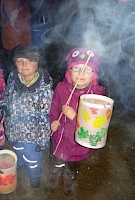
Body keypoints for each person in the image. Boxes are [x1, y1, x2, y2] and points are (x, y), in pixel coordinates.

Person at [46, 48, 105, 195]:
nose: (81, 73)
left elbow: (95, 126)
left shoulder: (97, 97)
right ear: (69, 72)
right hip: (60, 140)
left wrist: (75, 116)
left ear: (94, 75)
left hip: (79, 146)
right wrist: (53, 120)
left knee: (72, 168)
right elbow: (54, 107)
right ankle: (54, 177)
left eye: (87, 70)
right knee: (56, 163)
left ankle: (69, 181)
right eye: (76, 68)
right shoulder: (60, 88)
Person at [0, 44, 53, 188]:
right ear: (15, 63)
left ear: (37, 62)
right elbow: (6, 94)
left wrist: (42, 139)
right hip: (13, 129)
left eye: (29, 60)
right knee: (17, 148)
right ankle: (21, 163)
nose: (24, 64)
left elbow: (44, 116)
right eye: (20, 61)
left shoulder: (43, 88)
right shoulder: (13, 77)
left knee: (32, 158)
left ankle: (34, 176)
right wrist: (3, 105)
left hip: (31, 136)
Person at [0, 0, 32, 79]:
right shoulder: (11, 2)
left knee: (17, 67)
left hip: (18, 40)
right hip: (16, 42)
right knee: (16, 68)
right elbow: (14, 20)